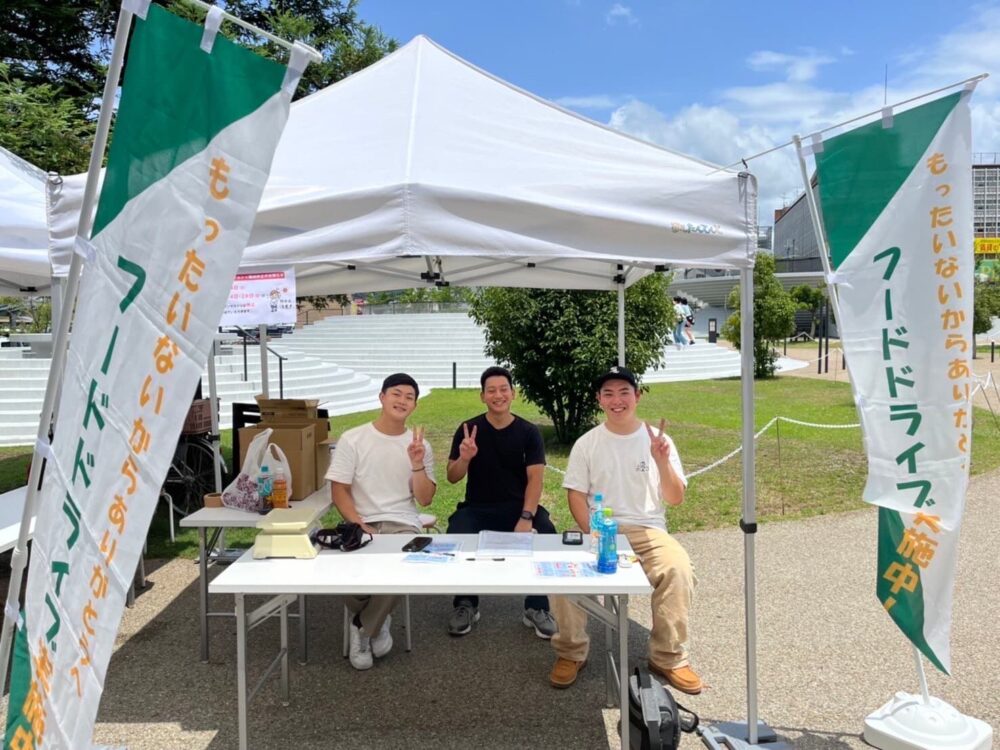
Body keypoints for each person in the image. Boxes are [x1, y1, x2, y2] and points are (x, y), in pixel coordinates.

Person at [548, 366, 702, 695]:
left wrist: (661, 461)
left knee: (678, 569)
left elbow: (675, 498)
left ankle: (668, 656)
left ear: (637, 396)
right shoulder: (587, 443)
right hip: (598, 528)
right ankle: (571, 651)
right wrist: (593, 533)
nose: (616, 400)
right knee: (561, 573)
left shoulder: (659, 441)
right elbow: (575, 494)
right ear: (599, 399)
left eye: (624, 392)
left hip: (648, 530)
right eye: (608, 393)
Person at [327, 372, 436, 670]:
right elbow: (339, 490)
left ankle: (363, 627)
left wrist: (417, 464)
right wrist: (357, 522)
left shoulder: (420, 445)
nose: (402, 401)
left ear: (415, 405)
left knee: (401, 567)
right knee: (344, 571)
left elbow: (425, 499)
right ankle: (379, 618)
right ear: (382, 397)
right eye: (396, 394)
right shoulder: (353, 439)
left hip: (404, 524)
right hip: (362, 522)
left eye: (409, 397)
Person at [445, 366, 558, 639]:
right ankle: (466, 603)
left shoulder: (528, 432)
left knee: (546, 532)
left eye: (503, 389)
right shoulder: (468, 430)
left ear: (513, 393)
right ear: (482, 396)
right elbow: (452, 476)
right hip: (478, 507)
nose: (498, 395)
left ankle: (536, 606)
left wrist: (527, 516)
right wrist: (465, 458)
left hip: (518, 508)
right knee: (457, 531)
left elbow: (536, 479)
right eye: (491, 390)